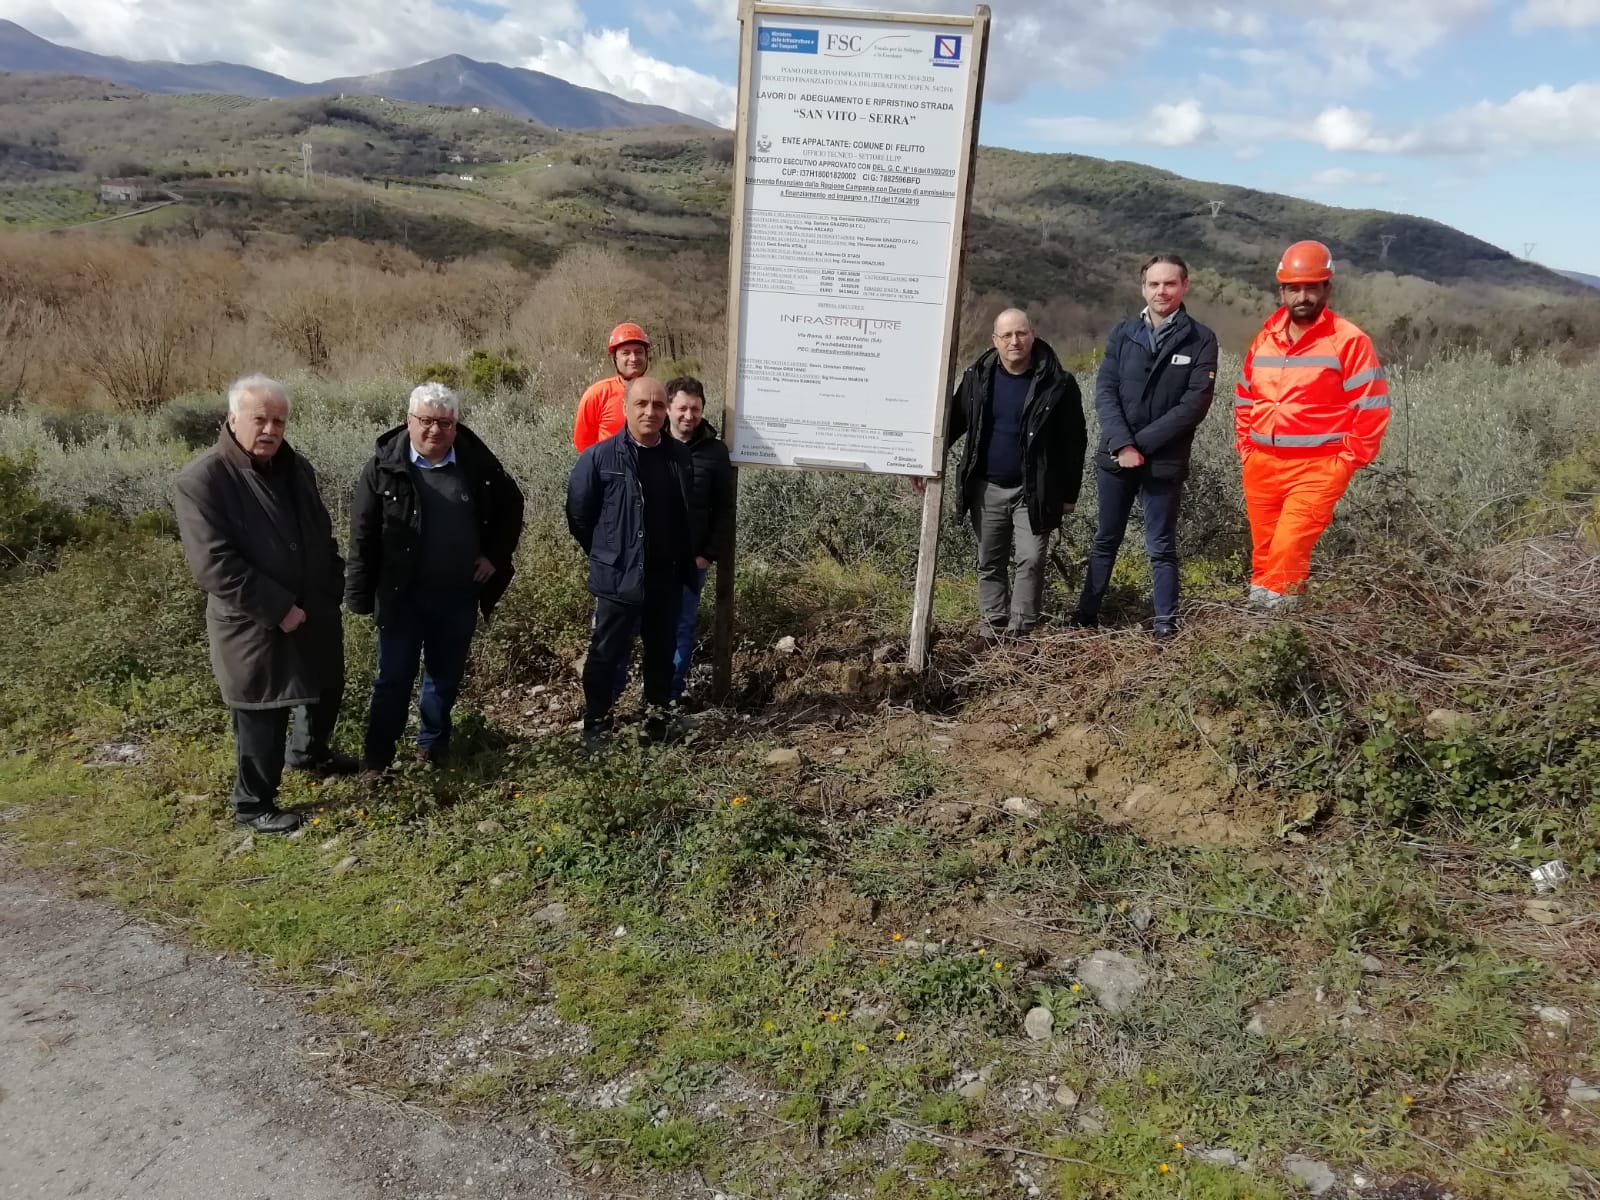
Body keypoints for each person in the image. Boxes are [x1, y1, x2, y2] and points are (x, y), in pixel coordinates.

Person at [173, 374, 351, 835]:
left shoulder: (298, 468)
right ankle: (254, 805)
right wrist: (278, 608)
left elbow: (322, 533)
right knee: (261, 711)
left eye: (279, 420)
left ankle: (310, 755)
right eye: (260, 419)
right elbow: (214, 564)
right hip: (253, 623)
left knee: (326, 687)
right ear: (233, 419)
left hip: (315, 610)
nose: (270, 429)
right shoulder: (202, 480)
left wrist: (331, 587)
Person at [345, 382, 525, 771]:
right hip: (402, 595)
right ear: (409, 421)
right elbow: (362, 532)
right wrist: (358, 596)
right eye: (426, 421)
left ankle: (432, 746)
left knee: (444, 677)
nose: (434, 431)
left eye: (444, 423)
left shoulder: (476, 465)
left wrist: (494, 555)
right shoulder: (383, 467)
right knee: (393, 678)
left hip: (457, 594)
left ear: (455, 425)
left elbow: (513, 505)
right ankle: (376, 760)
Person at [1235, 240, 1390, 608]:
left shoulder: (1348, 341)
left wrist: (1346, 462)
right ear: (1282, 291)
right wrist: (1246, 448)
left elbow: (1372, 407)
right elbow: (1244, 396)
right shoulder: (1265, 339)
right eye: (1294, 288)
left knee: (1288, 551)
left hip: (1317, 468)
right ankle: (1264, 628)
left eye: (1311, 287)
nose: (1302, 296)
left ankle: (1272, 633)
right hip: (1261, 464)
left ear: (1327, 288)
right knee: (1265, 553)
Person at [1071, 255, 1218, 637]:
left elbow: (1195, 404)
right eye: (1154, 284)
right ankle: (1084, 619)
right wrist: (1122, 444)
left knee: (1161, 547)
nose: (1161, 291)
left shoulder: (1201, 339)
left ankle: (1166, 627)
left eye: (1170, 284)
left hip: (1164, 461)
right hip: (1116, 456)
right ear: (1143, 288)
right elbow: (1105, 391)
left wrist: (1142, 445)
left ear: (1184, 286)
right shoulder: (1123, 333)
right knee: (1106, 539)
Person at [567, 376, 695, 751]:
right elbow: (579, 515)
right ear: (625, 408)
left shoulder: (679, 457)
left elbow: (687, 513)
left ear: (666, 411)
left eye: (657, 405)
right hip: (618, 577)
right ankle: (596, 727)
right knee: (606, 654)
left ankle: (655, 723)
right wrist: (609, 554)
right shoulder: (599, 457)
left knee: (661, 653)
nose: (650, 412)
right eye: (642, 404)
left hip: (665, 577)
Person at [944, 308, 1086, 637]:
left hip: (1034, 489)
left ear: (1032, 335)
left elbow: (1074, 441)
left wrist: (1069, 493)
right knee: (989, 560)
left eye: (1020, 333)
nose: (1014, 341)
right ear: (994, 340)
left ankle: (1021, 629)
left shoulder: (1059, 383)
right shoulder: (977, 379)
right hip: (986, 486)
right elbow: (954, 424)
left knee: (1032, 558)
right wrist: (923, 461)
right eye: (1006, 335)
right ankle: (992, 626)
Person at [664, 376, 734, 702]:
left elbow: (724, 509)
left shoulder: (715, 451)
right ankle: (634, 702)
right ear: (668, 408)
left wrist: (707, 554)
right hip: (650, 559)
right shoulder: (652, 442)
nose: (688, 416)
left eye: (695, 408)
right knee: (638, 628)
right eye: (682, 408)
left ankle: (669, 700)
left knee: (681, 629)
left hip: (693, 562)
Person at [572, 322, 651, 453]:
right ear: (614, 358)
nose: (633, 358)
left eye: (639, 352)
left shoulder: (658, 394)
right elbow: (583, 445)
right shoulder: (597, 394)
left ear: (646, 356)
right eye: (626, 353)